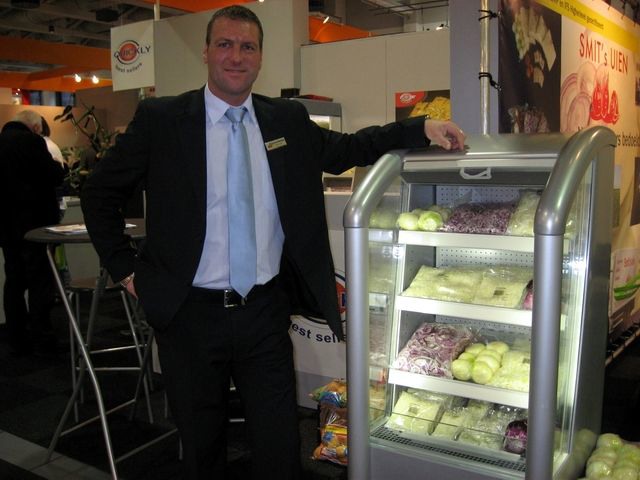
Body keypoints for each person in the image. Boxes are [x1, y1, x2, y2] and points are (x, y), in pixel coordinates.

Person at [80, 5, 465, 479]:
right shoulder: (163, 119)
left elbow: (347, 148)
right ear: (206, 52)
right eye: (225, 44)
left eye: (248, 47)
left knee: (280, 447)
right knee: (201, 449)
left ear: (260, 57)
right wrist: (126, 270)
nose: (236, 56)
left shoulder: (284, 118)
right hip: (189, 316)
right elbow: (99, 193)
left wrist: (419, 127)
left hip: (263, 312)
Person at [0, 110, 65, 355]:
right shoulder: (32, 142)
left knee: (14, 281)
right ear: (36, 127)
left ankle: (16, 335)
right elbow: (53, 175)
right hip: (35, 225)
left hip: (6, 227)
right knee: (40, 281)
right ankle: (42, 337)